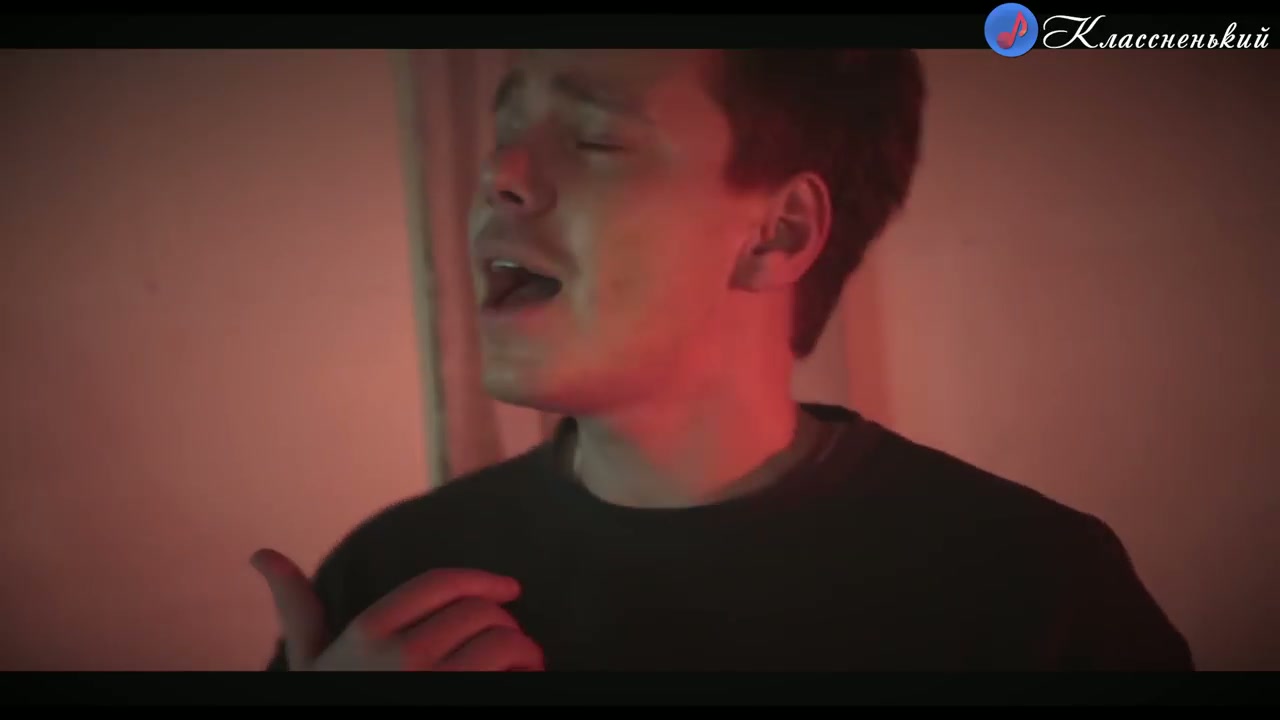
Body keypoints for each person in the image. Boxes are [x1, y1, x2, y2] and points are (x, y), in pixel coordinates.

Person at [253, 49, 1194, 672]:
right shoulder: (394, 586)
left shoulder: (1030, 589)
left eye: (595, 137)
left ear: (777, 232)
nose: (498, 175)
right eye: (505, 137)